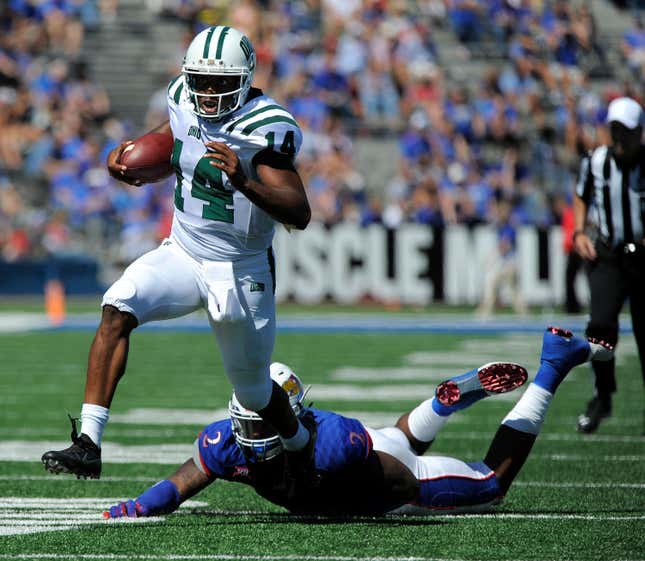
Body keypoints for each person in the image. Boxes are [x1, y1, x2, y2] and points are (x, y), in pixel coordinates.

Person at [42, 26, 316, 491]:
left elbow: (300, 213)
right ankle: (89, 442)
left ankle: (300, 446)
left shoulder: (263, 126)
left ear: (245, 79)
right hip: (184, 251)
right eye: (200, 81)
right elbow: (174, 137)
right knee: (118, 305)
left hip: (238, 269)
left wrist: (245, 180)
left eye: (219, 83)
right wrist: (132, 157)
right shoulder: (181, 96)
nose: (207, 93)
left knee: (252, 389)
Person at [104, 327, 612, 519]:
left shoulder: (332, 448)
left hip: (390, 470)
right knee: (399, 432)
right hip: (377, 440)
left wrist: (351, 509)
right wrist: (139, 506)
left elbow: (401, 482)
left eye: (265, 423)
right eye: (250, 423)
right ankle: (439, 404)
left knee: (491, 482)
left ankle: (552, 365)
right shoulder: (225, 442)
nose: (254, 434)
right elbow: (182, 482)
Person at [572, 96, 645, 434]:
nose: (618, 139)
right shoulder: (596, 161)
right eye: (614, 130)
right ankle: (602, 395)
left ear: (639, 133)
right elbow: (581, 194)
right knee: (600, 327)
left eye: (625, 132)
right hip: (609, 254)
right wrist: (578, 232)